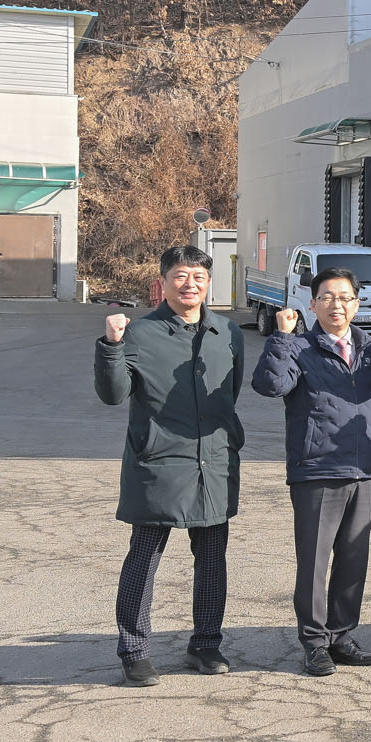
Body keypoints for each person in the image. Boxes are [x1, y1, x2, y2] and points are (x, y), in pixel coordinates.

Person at [94, 245, 246, 687]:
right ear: (163, 282)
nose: (189, 284)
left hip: (213, 461)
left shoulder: (227, 332)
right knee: (144, 557)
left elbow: (230, 392)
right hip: (158, 461)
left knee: (212, 559)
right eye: (180, 276)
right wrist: (112, 346)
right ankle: (134, 650)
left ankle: (206, 644)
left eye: (198, 277)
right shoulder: (140, 333)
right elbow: (113, 394)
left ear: (209, 283)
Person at [252, 267, 371, 676]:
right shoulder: (299, 346)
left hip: (362, 470)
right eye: (328, 297)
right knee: (314, 562)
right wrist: (281, 337)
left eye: (345, 297)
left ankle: (342, 636)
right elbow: (270, 385)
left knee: (354, 560)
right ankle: (315, 642)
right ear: (313, 304)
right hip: (316, 470)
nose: (337, 305)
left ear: (357, 303)